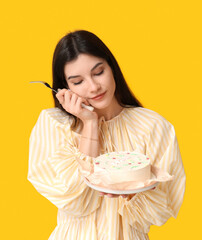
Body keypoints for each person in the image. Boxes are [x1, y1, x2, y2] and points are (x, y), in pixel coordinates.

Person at [28, 30, 186, 240]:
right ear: (64, 88)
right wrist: (90, 123)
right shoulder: (54, 125)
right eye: (78, 82)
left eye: (98, 72)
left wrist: (132, 193)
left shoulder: (153, 126)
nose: (93, 87)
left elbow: (162, 210)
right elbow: (77, 201)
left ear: (112, 68)